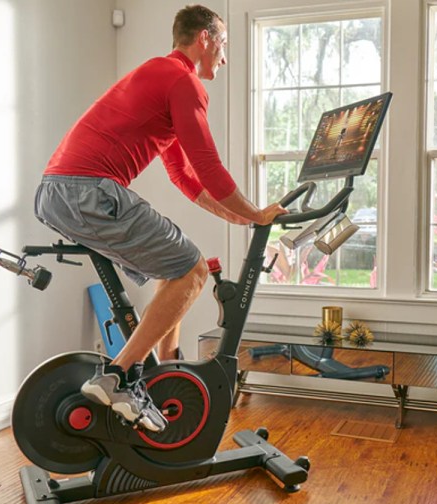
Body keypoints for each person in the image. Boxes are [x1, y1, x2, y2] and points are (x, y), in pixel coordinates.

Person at [34, 4, 287, 433]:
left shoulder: (157, 75)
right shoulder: (183, 80)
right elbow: (208, 166)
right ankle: (116, 377)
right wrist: (257, 212)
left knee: (182, 266)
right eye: (222, 45)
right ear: (204, 38)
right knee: (191, 270)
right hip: (89, 191)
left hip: (57, 193)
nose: (224, 58)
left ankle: (167, 366)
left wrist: (239, 218)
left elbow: (183, 175)